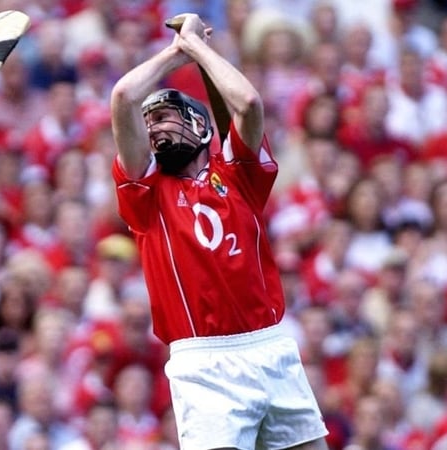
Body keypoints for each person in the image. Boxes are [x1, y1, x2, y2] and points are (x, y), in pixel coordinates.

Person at [109, 13, 329, 450]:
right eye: (149, 123)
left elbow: (247, 103)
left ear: (200, 126)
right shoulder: (146, 195)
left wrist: (200, 49)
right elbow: (123, 96)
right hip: (202, 360)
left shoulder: (239, 177)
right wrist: (177, 52)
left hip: (269, 346)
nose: (153, 128)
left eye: (165, 116)